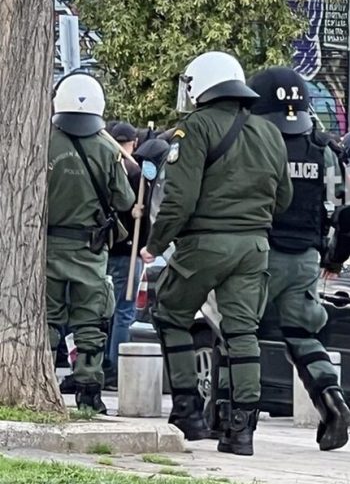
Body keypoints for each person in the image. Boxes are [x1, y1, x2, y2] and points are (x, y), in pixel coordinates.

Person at [141, 51, 292, 455]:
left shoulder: (195, 129)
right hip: (254, 246)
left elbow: (179, 200)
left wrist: (154, 244)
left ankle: (188, 411)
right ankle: (241, 430)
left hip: (204, 244)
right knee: (242, 333)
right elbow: (285, 197)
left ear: (201, 85)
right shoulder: (269, 132)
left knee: (170, 314)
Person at [245, 67, 350, 452]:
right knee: (303, 336)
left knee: (238, 335)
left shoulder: (253, 142)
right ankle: (333, 403)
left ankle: (235, 423)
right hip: (306, 258)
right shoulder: (325, 149)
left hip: (258, 253)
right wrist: (335, 258)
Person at [47, 73, 134, 413]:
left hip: (49, 246)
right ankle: (88, 390)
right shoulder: (106, 148)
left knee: (48, 320)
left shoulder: (44, 142)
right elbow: (125, 202)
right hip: (90, 249)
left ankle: (45, 381)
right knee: (91, 320)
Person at [103, 121, 146, 388]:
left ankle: (101, 364)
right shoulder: (136, 173)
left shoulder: (105, 165)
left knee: (103, 311)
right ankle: (117, 367)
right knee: (124, 312)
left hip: (105, 247)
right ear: (135, 143)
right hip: (129, 250)